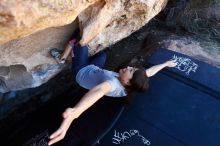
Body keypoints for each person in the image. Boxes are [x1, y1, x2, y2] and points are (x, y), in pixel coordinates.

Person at [48, 36, 177, 146]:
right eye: (132, 68)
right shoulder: (130, 85)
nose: (128, 67)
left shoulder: (113, 85)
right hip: (94, 69)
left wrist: (75, 112)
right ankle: (75, 55)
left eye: (130, 71)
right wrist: (165, 64)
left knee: (81, 39)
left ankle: (62, 56)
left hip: (81, 72)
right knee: (102, 55)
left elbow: (98, 91)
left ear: (127, 82)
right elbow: (149, 72)